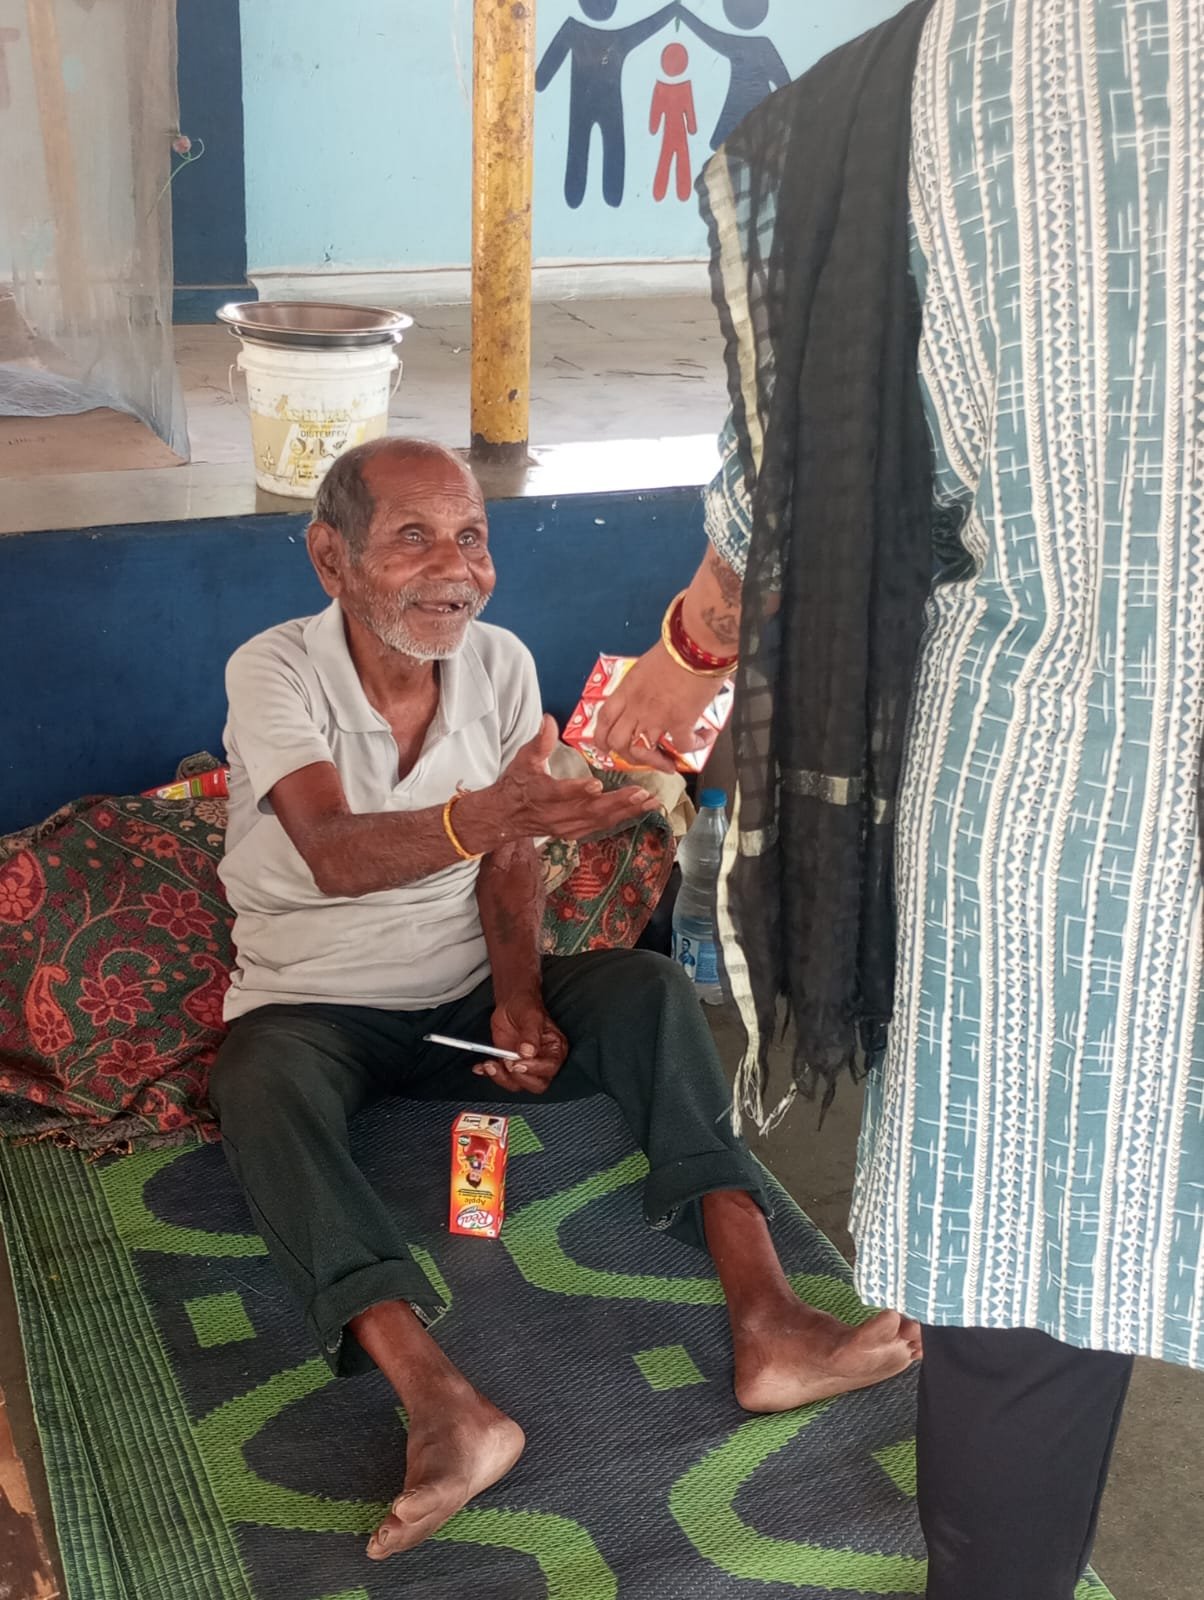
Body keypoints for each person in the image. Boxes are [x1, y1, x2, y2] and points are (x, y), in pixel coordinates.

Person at [595, 2, 1204, 1596]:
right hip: (1063, 810)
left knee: (1026, 1275)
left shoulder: (905, 98)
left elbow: (796, 487)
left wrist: (687, 653)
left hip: (1053, 818)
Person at [208, 437, 921, 1563]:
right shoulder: (274, 670)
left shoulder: (494, 663)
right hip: (314, 1002)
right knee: (254, 1083)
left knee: (646, 989)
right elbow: (335, 854)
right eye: (414, 537)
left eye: (473, 537)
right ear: (330, 557)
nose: (456, 568)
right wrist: (499, 814)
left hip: (461, 994)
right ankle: (440, 1401)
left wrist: (520, 1001)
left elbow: (509, 862)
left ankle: (770, 1317)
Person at [536, 0, 678, 209]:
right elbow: (647, 26)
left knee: (579, 147)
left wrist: (539, 80)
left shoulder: (573, 31)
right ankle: (610, 195)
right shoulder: (618, 38)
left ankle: (577, 195)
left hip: (581, 107)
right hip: (610, 108)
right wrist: (673, 9)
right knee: (612, 146)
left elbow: (541, 80)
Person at [676, 0, 790, 148]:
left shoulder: (748, 45)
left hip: (750, 113)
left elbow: (708, 34)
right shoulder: (761, 45)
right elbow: (785, 83)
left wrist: (682, 13)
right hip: (750, 113)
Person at [650, 42, 697, 203]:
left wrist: (654, 126)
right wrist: (691, 127)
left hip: (672, 130)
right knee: (680, 157)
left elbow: (655, 115)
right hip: (678, 131)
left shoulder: (662, 89)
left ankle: (663, 191)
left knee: (667, 157)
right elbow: (690, 115)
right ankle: (679, 192)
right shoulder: (683, 89)